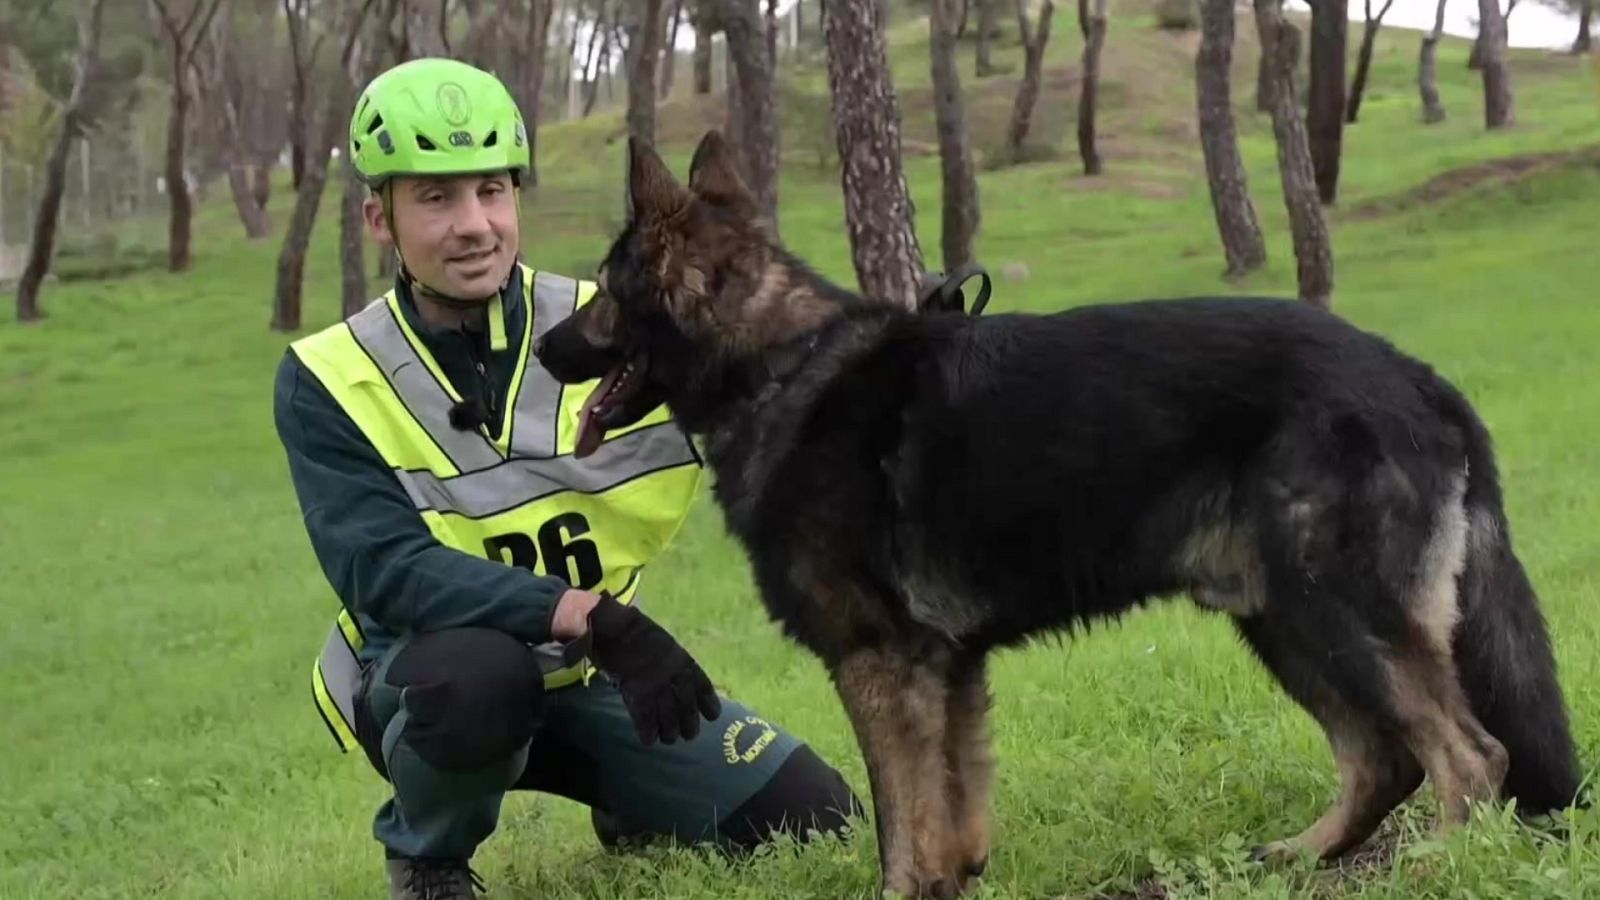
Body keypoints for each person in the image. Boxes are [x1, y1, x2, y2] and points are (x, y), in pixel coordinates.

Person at [272, 57, 860, 900]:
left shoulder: (618, 321)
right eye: (435, 198)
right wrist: (589, 614)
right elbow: (385, 570)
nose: (474, 224)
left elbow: (773, 385)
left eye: (491, 190)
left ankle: (635, 799)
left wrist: (897, 356)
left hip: (599, 677)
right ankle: (428, 859)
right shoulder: (327, 376)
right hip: (433, 688)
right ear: (379, 216)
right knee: (478, 683)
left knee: (818, 819)